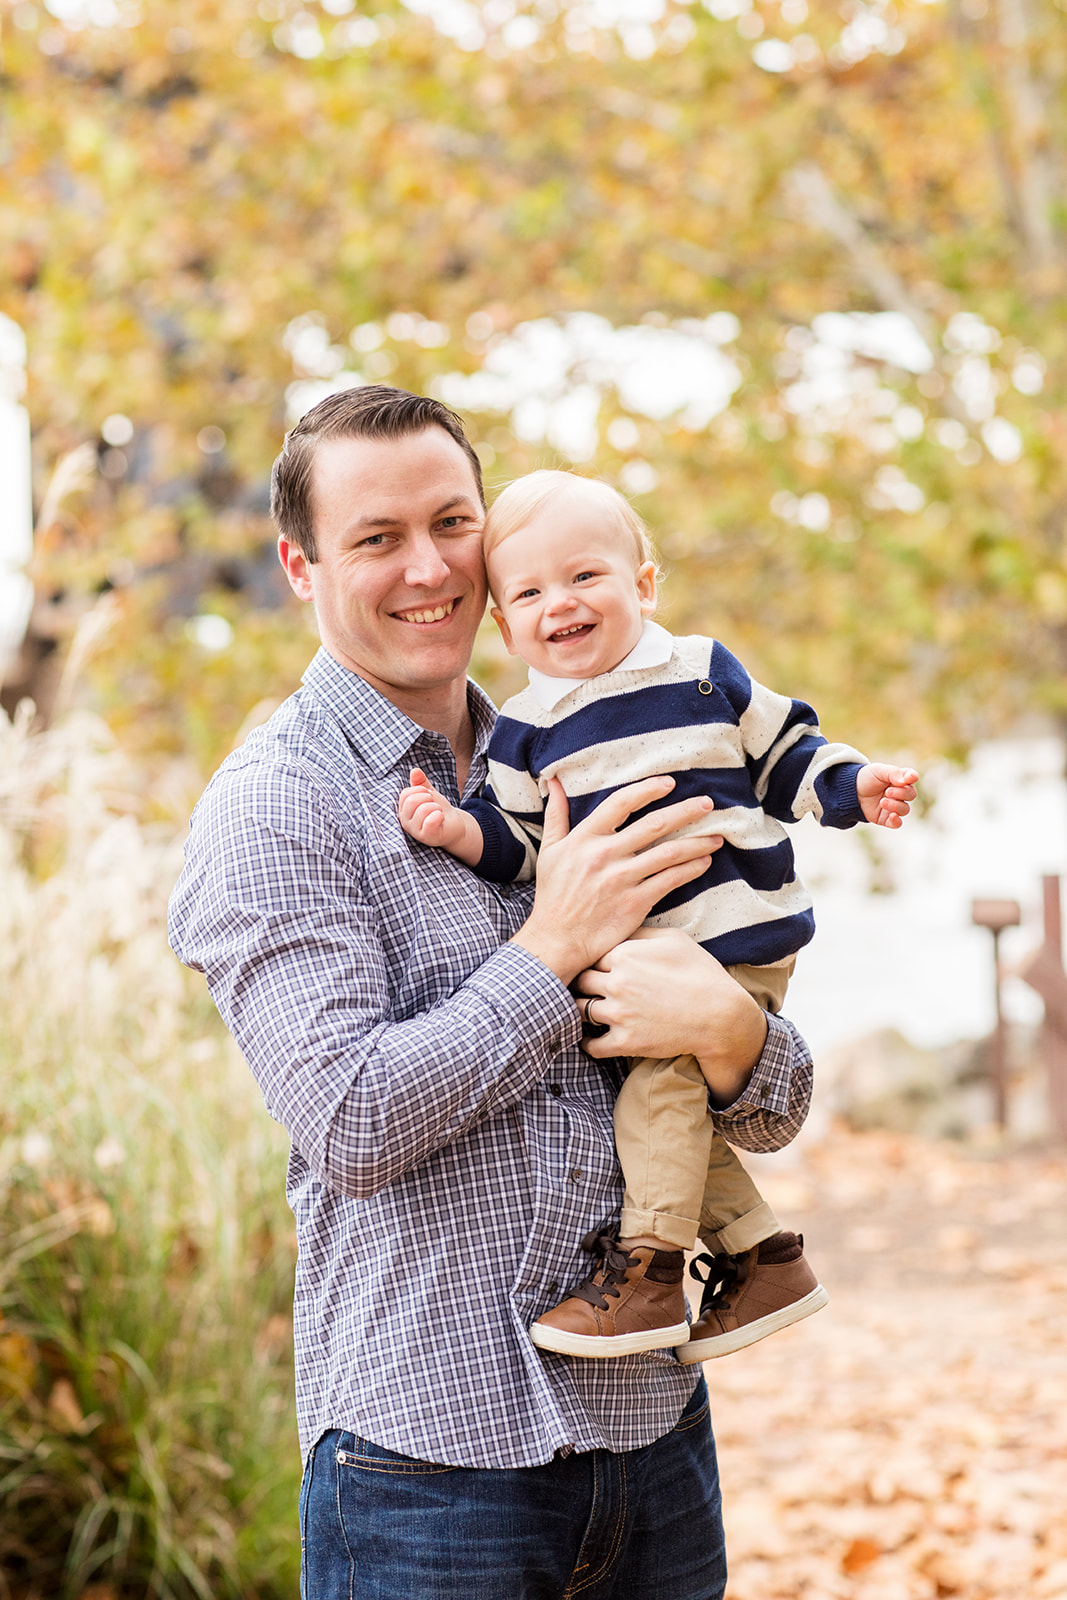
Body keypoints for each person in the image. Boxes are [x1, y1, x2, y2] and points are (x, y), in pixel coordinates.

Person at [168, 386, 817, 1600]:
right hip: (427, 1478)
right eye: (375, 538)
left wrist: (735, 1034)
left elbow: (761, 1110)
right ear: (300, 565)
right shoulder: (273, 808)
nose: (428, 568)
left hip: (653, 1441)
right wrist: (550, 945)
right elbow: (352, 1123)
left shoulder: (604, 744)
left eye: (450, 523)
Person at [398, 469, 917, 1361]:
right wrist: (455, 829)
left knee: (655, 1093)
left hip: (731, 934)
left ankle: (648, 1274)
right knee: (659, 1107)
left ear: (642, 583)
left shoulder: (700, 673)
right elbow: (525, 845)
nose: (559, 603)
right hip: (637, 963)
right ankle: (765, 1261)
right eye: (529, 592)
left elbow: (785, 752)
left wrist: (853, 786)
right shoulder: (524, 730)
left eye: (585, 577)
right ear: (503, 623)